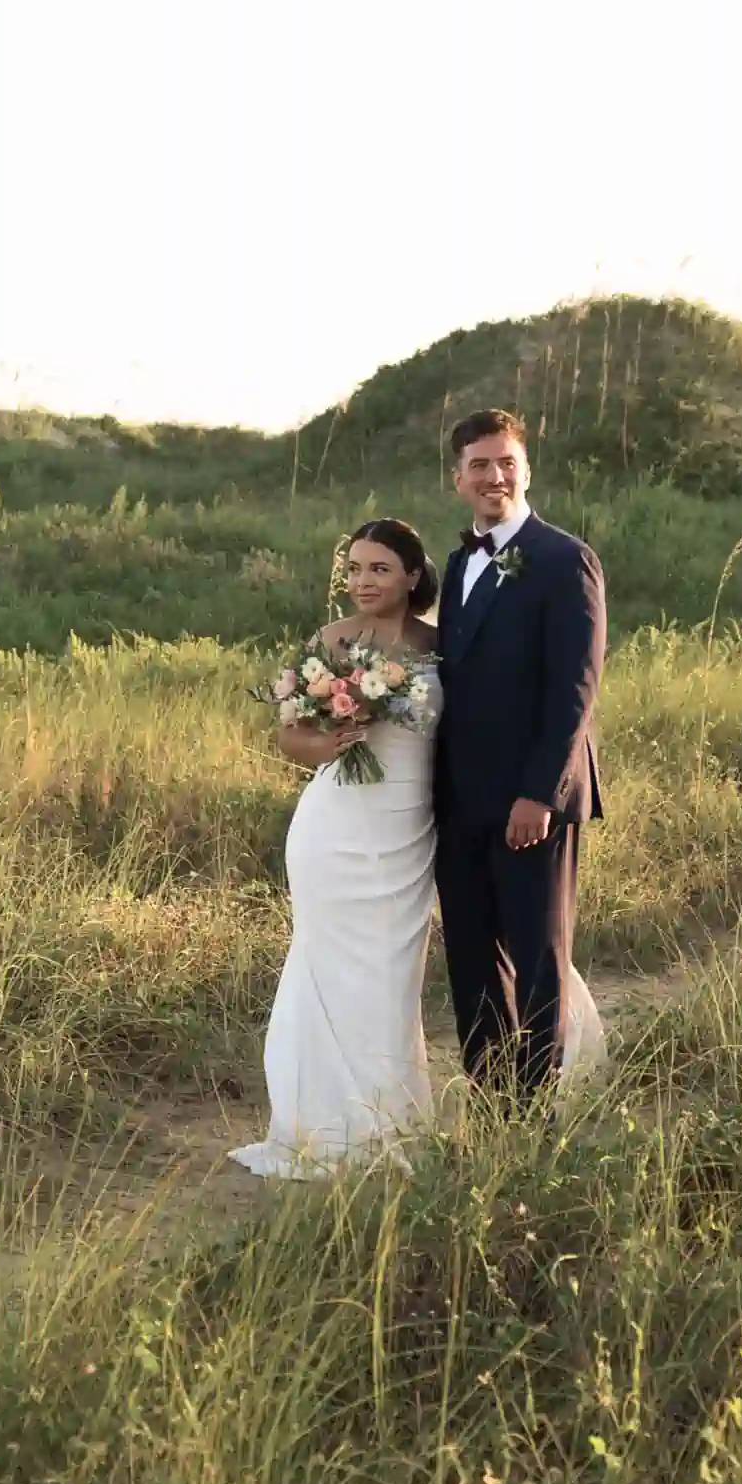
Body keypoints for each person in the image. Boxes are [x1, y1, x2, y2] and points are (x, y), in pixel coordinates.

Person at [229, 519, 445, 1178]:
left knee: (390, 975)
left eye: (379, 568)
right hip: (333, 828)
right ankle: (321, 1128)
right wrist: (335, 737)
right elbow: (289, 738)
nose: (363, 580)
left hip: (409, 826)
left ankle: (390, 1122)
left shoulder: (446, 644)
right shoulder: (331, 642)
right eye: (354, 569)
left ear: (412, 574)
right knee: (323, 968)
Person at [432, 408, 606, 1099]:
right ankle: (490, 1103)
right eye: (479, 464)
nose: (494, 475)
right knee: (471, 962)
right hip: (460, 799)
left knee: (537, 961)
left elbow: (575, 688)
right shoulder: (456, 563)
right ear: (458, 478)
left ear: (526, 469)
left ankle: (532, 1119)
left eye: (506, 462)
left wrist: (540, 792)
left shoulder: (566, 560)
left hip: (533, 800)